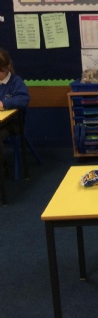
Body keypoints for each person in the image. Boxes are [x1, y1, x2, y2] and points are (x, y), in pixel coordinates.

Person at [0, 48, 30, 202]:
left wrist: (4, 104)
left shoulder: (15, 82)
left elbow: (24, 99)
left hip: (11, 124)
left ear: (5, 69)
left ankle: (2, 169)